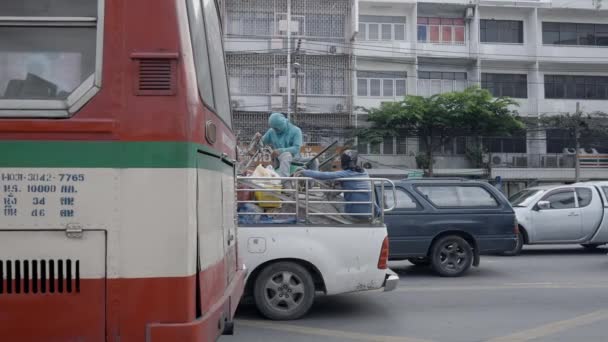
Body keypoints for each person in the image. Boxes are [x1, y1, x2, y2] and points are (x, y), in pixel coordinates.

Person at [298, 150, 378, 221]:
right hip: (370, 214)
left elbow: (323, 175)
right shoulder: (364, 173)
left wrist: (304, 172)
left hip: (354, 214)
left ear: (343, 162)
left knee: (331, 197)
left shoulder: (346, 174)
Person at [254, 112, 303, 177]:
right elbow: (262, 143)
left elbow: (296, 148)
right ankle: (282, 180)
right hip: (278, 159)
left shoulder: (296, 131)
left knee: (314, 161)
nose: (275, 130)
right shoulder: (271, 131)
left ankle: (283, 180)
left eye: (276, 128)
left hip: (296, 159)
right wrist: (258, 139)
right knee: (285, 156)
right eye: (273, 128)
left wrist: (280, 151)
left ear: (282, 124)